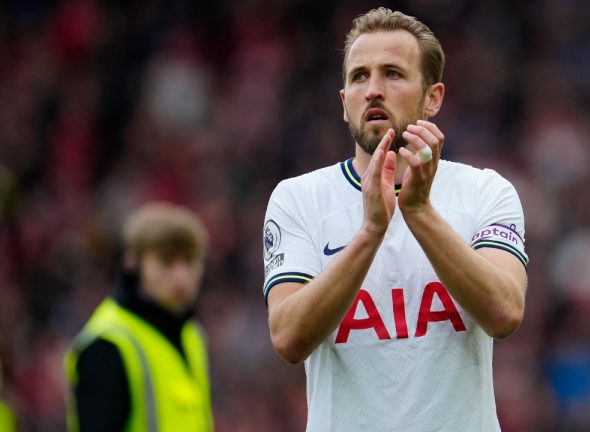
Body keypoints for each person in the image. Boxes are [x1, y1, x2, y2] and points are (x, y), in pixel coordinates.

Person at [262, 7, 528, 431]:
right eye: (359, 76)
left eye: (393, 74)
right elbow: (289, 338)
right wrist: (370, 233)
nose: (373, 90)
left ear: (433, 97)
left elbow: (505, 312)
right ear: (343, 102)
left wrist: (419, 213)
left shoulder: (486, 192)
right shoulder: (298, 199)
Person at [63, 202, 213, 431]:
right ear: (132, 263)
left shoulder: (192, 335)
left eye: (190, 261)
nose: (181, 277)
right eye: (166, 262)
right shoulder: (108, 344)